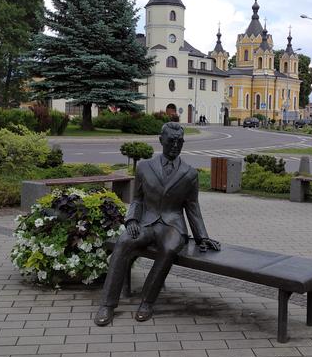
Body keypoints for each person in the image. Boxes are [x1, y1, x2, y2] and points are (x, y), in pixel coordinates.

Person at [94, 122, 220, 326]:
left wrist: (202, 237)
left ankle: (147, 301)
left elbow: (193, 207)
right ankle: (107, 304)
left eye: (179, 142)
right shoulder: (144, 166)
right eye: (171, 141)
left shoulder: (190, 173)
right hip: (146, 221)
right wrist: (132, 219)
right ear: (161, 140)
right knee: (124, 241)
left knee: (169, 249)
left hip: (173, 225)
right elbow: (137, 199)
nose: (175, 146)